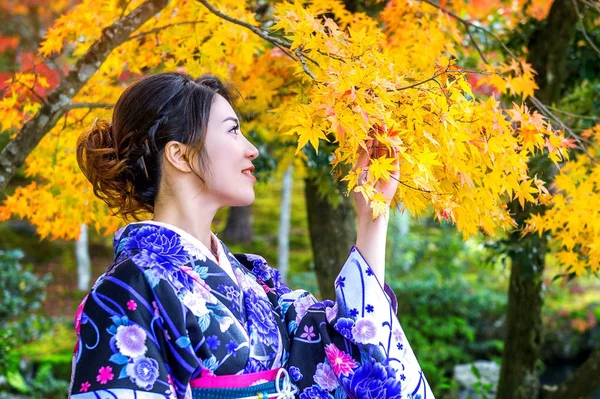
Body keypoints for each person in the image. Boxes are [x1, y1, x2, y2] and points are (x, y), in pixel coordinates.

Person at [68, 72, 433, 399]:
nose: (251, 148)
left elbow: (341, 347)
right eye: (232, 130)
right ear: (180, 155)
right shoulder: (126, 290)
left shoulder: (255, 279)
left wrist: (372, 215)